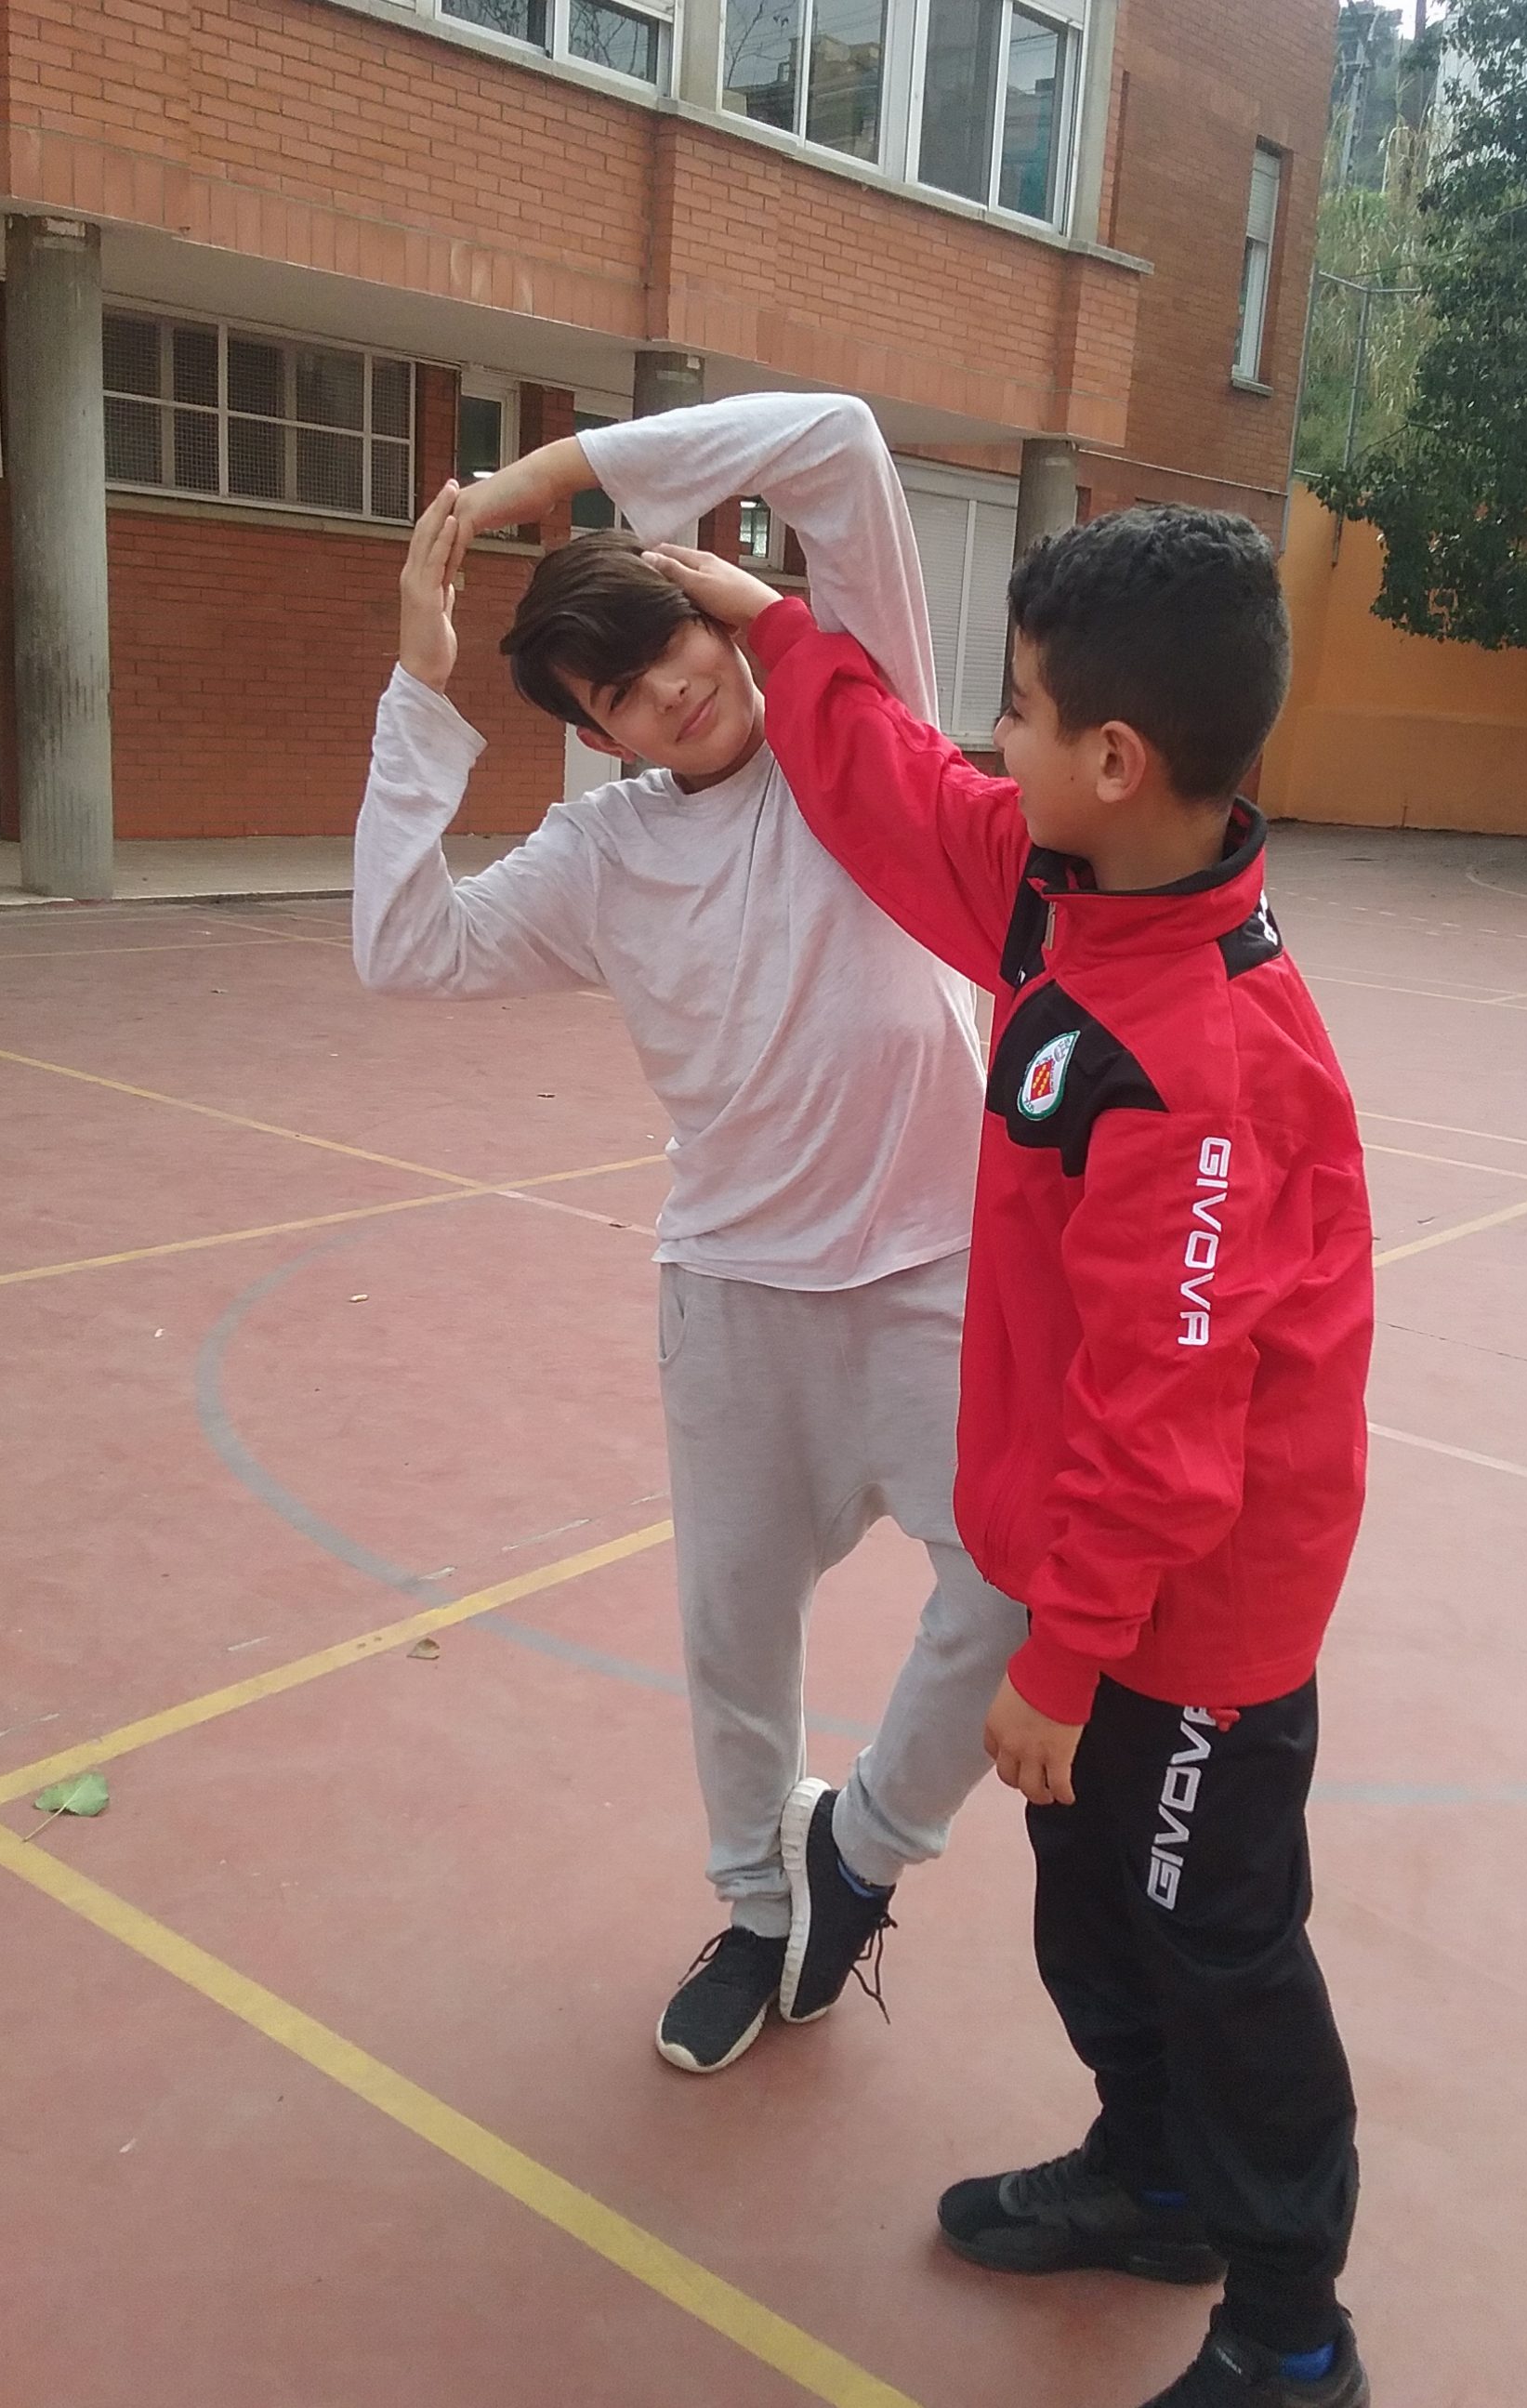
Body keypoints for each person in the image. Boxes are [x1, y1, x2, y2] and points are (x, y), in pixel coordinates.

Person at [643, 512, 1376, 2406]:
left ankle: (1293, 2332)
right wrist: (773, 624)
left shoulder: (1199, 1058)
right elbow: (903, 793)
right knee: (1097, 1905)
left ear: (1115, 761)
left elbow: (1172, 1420)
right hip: (1095, 1584)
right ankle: (1157, 2182)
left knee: (1220, 1945)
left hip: (1193, 1618)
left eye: (1023, 709)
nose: (996, 737)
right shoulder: (1075, 902)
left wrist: (1064, 1654)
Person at [351, 392, 1025, 2078]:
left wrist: (553, 476)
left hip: (941, 1273)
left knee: (1015, 1590)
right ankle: (756, 1903)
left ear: (711, 607)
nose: (670, 690)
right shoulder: (603, 855)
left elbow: (843, 443)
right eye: (623, 694)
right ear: (603, 737)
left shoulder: (859, 721)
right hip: (736, 1297)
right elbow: (404, 945)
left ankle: (854, 1856)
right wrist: (420, 687)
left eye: (671, 645)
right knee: (736, 1640)